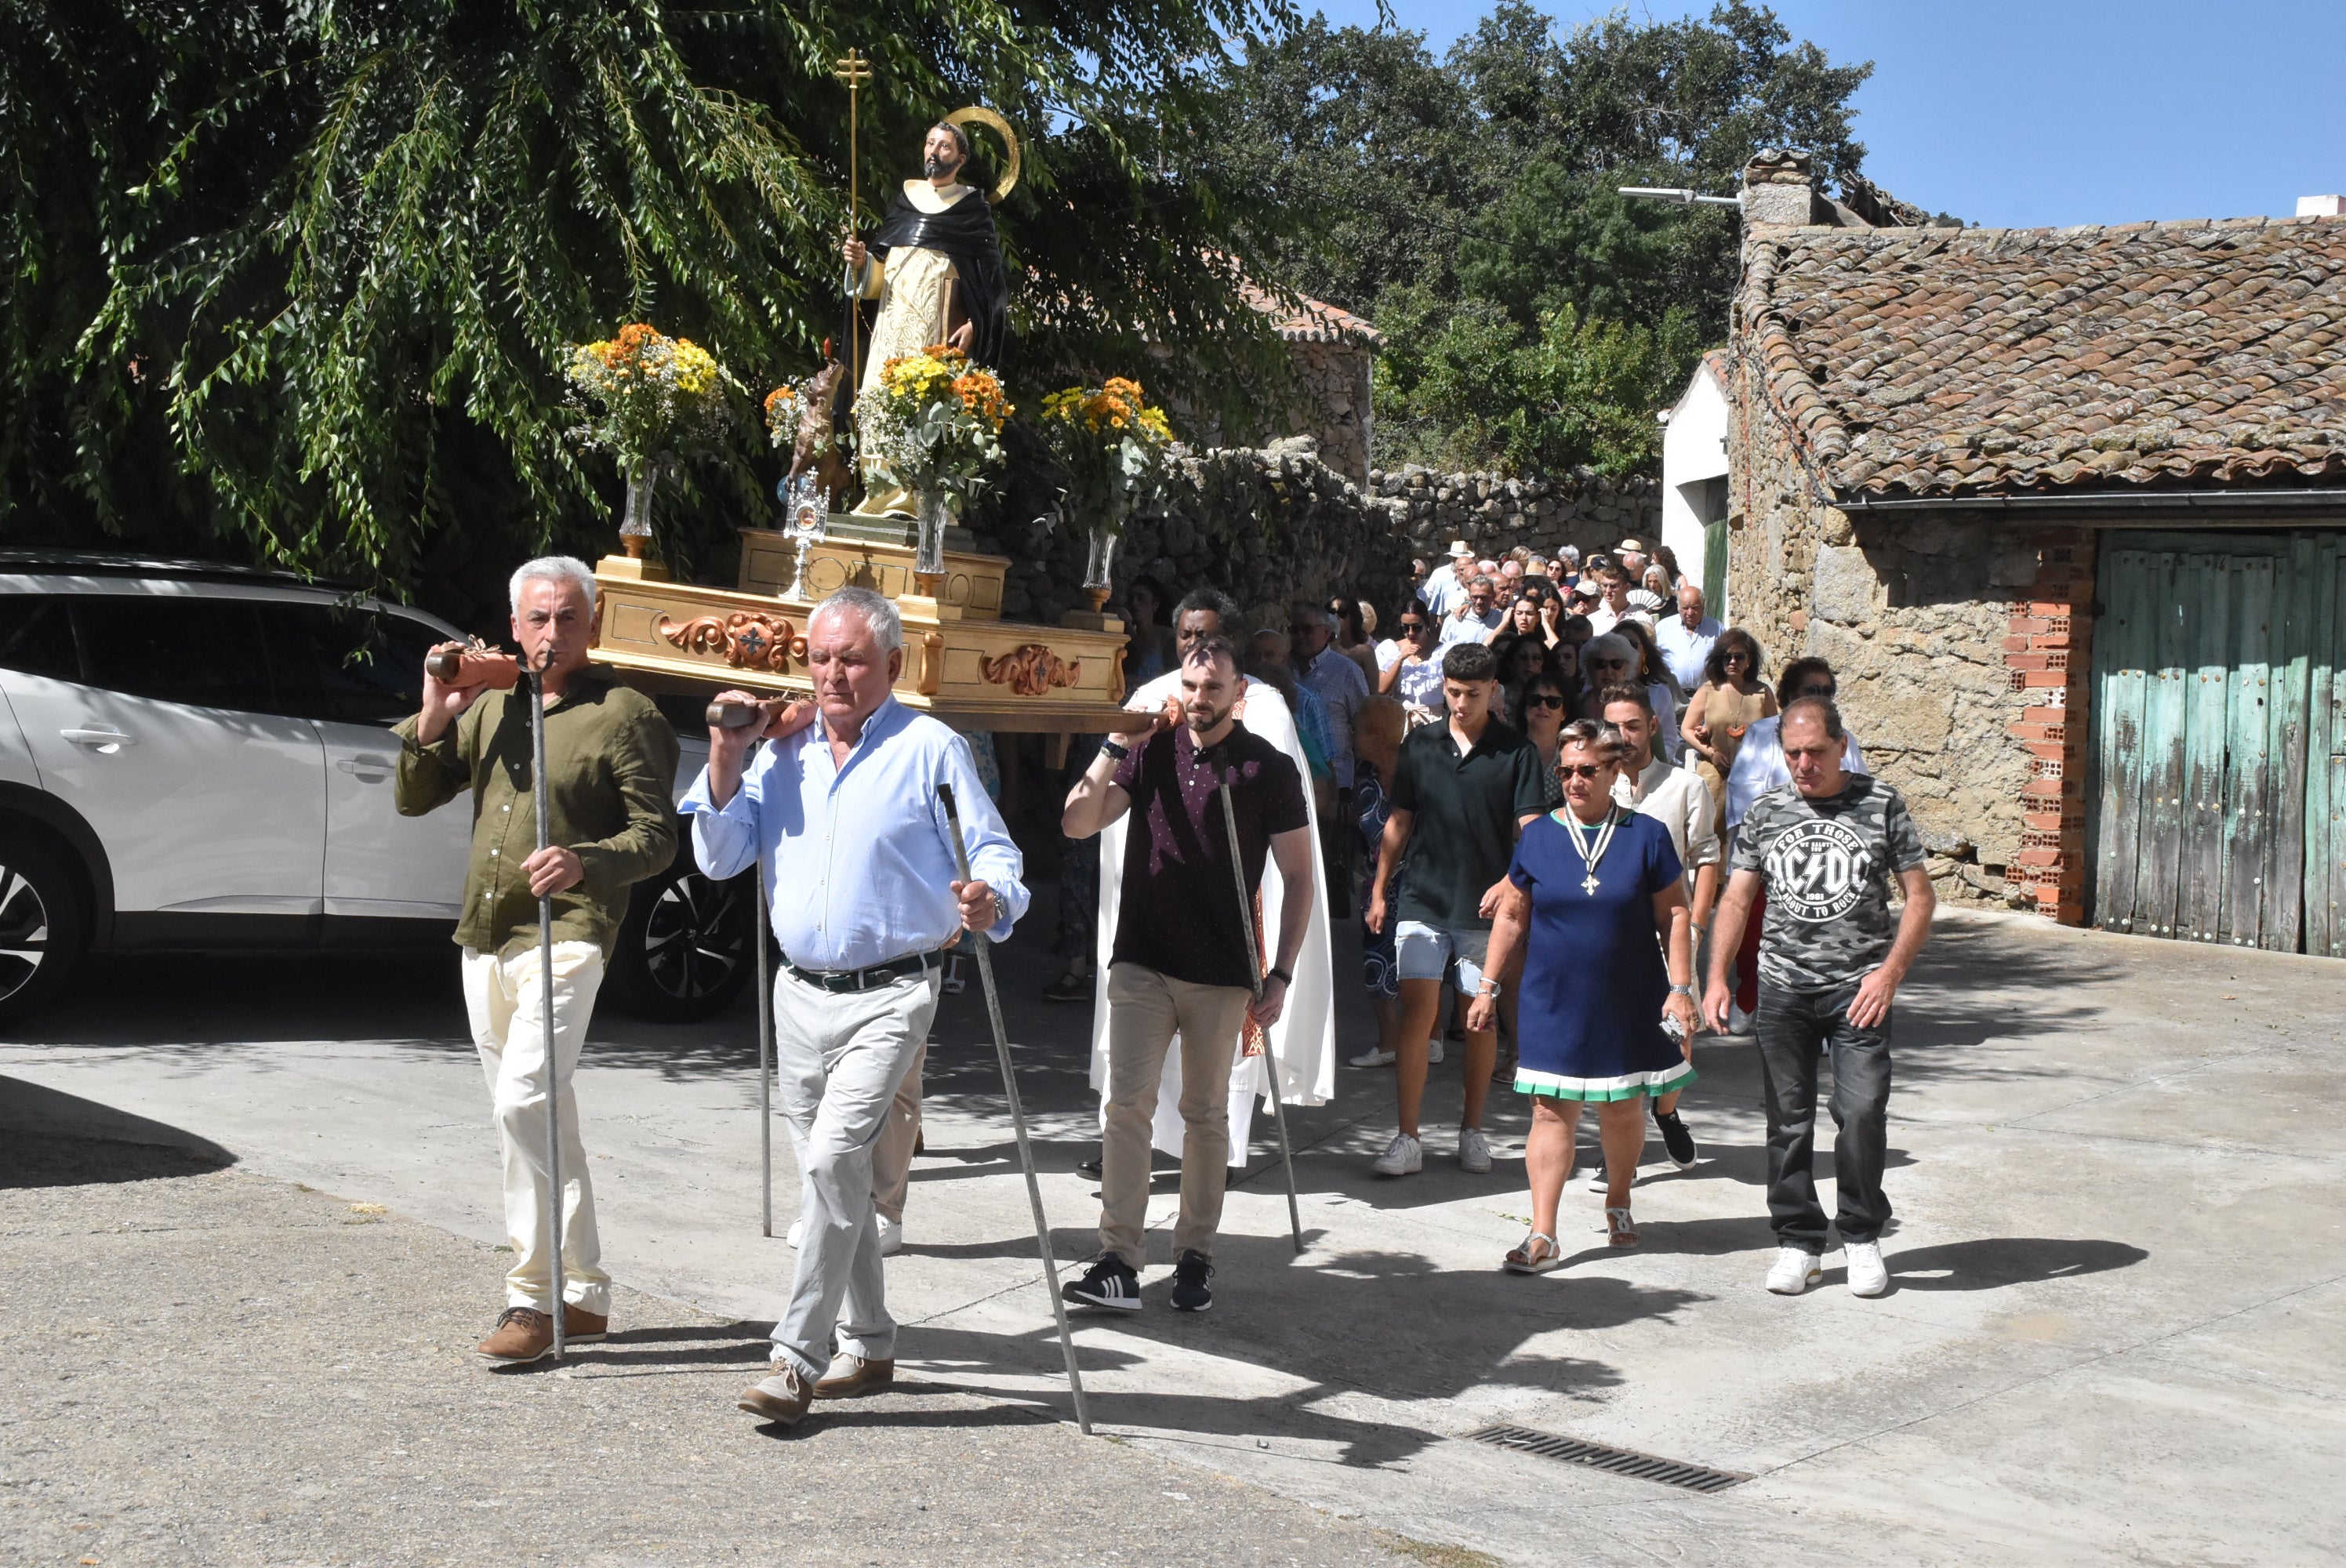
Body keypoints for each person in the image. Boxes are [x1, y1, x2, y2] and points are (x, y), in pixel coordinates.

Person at [690, 586, 1029, 1424]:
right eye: (820, 658)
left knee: (831, 1162)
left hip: (895, 991)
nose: (833, 675)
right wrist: (727, 758)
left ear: (893, 664)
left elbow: (993, 849)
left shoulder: (930, 747)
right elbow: (721, 857)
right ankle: (871, 1341)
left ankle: (795, 1357)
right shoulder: (781, 750)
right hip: (798, 993)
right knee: (833, 1177)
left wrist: (991, 897)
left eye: (851, 659)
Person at [395, 556, 683, 1365]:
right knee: (540, 1114)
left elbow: (657, 838)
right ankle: (583, 1293)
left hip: (569, 934)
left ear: (592, 624)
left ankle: (533, 1296)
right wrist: (435, 710)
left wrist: (585, 860)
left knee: (524, 1102)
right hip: (487, 935)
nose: (551, 633)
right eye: (537, 618)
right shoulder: (492, 703)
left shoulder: (624, 713)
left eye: (566, 618)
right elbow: (415, 795)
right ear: (514, 626)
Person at [1059, 636, 1314, 1313]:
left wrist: (1282, 973)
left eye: (1213, 689)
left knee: (1205, 1114)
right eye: (1192, 687)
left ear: (1239, 693)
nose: (1199, 700)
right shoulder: (1149, 752)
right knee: (1127, 1108)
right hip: (1142, 959)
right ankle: (1118, 1260)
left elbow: (1299, 878)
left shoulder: (1268, 769)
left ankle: (1195, 1254)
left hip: (1220, 970)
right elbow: (1077, 823)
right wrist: (1116, 744)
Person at [1091, 589, 1335, 1207]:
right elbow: (1096, 808)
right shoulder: (1150, 698)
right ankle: (1131, 1155)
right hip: (1149, 911)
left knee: (1216, 1080)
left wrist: (1280, 964)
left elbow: (1290, 850)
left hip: (1229, 920)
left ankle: (1215, 1158)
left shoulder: (1266, 708)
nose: (1195, 648)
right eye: (1185, 637)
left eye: (1207, 636)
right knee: (1134, 1071)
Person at [1706, 699, 1934, 1300]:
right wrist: (1717, 976)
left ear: (1841, 746)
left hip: (1859, 990)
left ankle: (1860, 1236)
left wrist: (1890, 975)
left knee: (1861, 1112)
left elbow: (1920, 897)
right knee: (1788, 1122)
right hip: (1783, 989)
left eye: (1815, 753)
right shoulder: (1767, 811)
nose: (1803, 765)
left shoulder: (1880, 803)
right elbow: (1736, 898)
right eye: (1793, 754)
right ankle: (1800, 1242)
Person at [1472, 720, 1698, 1271]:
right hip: (1552, 999)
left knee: (1620, 1108)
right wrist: (1487, 987)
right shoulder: (1539, 837)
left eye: (1588, 770)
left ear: (1615, 771)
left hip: (1628, 997)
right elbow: (1512, 916)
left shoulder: (1646, 835)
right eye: (1566, 770)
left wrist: (1680, 989)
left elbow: (1674, 912)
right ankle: (1542, 1234)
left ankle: (1618, 1199)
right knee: (1549, 1111)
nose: (1574, 780)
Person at [1364, 641, 1548, 1177]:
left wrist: (1511, 884)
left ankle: (1473, 1131)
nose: (1461, 704)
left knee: (1477, 1019)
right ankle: (1407, 1137)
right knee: (1417, 1016)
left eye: (1472, 693)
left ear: (1494, 690)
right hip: (1422, 898)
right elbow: (1400, 821)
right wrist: (1379, 890)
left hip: (1485, 910)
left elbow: (1532, 829)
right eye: (1452, 693)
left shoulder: (1516, 752)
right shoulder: (1420, 744)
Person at [840, 122, 1008, 516]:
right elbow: (879, 277)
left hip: (934, 336)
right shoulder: (904, 200)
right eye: (930, 143)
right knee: (879, 401)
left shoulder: (971, 210)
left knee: (924, 409)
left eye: (945, 146)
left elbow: (991, 286)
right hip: (890, 328)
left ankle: (916, 498)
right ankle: (878, 494)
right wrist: (863, 264)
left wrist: (976, 325)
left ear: (961, 159)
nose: (934, 151)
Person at [1589, 684, 1718, 1182]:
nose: (1622, 736)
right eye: (1613, 726)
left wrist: (1697, 923)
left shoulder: (1686, 786)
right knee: (1613, 1042)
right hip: (1610, 935)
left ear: (1651, 726)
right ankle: (1618, 1146)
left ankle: (1665, 1112)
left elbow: (1706, 857)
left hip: (1671, 931)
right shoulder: (1593, 785)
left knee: (1676, 1034)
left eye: (1632, 726)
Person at [1291, 602, 1371, 916]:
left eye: (1307, 629)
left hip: (1334, 787)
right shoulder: (1283, 669)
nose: (1300, 636)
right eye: (1294, 630)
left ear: (1326, 632)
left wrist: (1358, 787)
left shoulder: (1346, 671)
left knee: (1328, 867)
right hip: (1289, 782)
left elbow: (1365, 725)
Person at [1348, 696, 1411, 1069]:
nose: (1352, 737)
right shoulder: (1365, 775)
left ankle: (1429, 1038)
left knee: (1422, 965)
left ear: (1375, 734)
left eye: (1356, 730)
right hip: (1377, 885)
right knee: (1377, 960)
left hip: (1417, 882)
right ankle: (1389, 1042)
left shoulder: (1416, 770)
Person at [1680, 627, 1776, 812]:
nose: (1733, 662)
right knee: (1710, 824)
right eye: (1727, 657)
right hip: (1714, 774)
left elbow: (1773, 734)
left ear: (1749, 661)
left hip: (1752, 776)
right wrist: (1711, 753)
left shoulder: (1763, 693)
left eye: (1739, 657)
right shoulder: (1708, 690)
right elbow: (1686, 729)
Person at [1654, 583, 1723, 698]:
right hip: (1672, 697)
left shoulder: (1717, 628)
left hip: (1706, 696)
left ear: (1703, 607)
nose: (1690, 612)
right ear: (1678, 607)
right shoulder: (1663, 628)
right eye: (1685, 608)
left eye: (1695, 608)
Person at [1385, 603, 1446, 727]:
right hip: (1401, 721)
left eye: (1417, 627)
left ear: (1427, 624)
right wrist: (1400, 659)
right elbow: (1381, 690)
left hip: (1434, 721)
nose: (1411, 633)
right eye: (1405, 628)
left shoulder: (1444, 651)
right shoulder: (1391, 649)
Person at [1123, 573, 1178, 688]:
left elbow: (1175, 676)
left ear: (1155, 605)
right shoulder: (1125, 638)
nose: (1134, 603)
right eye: (1131, 598)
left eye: (1141, 598)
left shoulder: (1168, 637)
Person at [1327, 593, 1382, 686]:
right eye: (1331, 612)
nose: (1336, 616)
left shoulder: (1365, 653)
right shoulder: (1321, 647)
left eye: (1342, 613)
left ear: (1353, 617)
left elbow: (1372, 691)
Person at [1440, 575, 1504, 645]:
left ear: (1493, 596)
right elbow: (1444, 649)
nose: (1479, 602)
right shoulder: (1454, 620)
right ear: (1469, 597)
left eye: (1484, 597)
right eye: (1475, 597)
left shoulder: (1501, 619)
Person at [1422, 540, 1475, 619]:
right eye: (1456, 558)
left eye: (1461, 558)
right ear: (1451, 558)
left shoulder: (1474, 574)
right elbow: (1428, 596)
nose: (1458, 561)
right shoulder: (1440, 573)